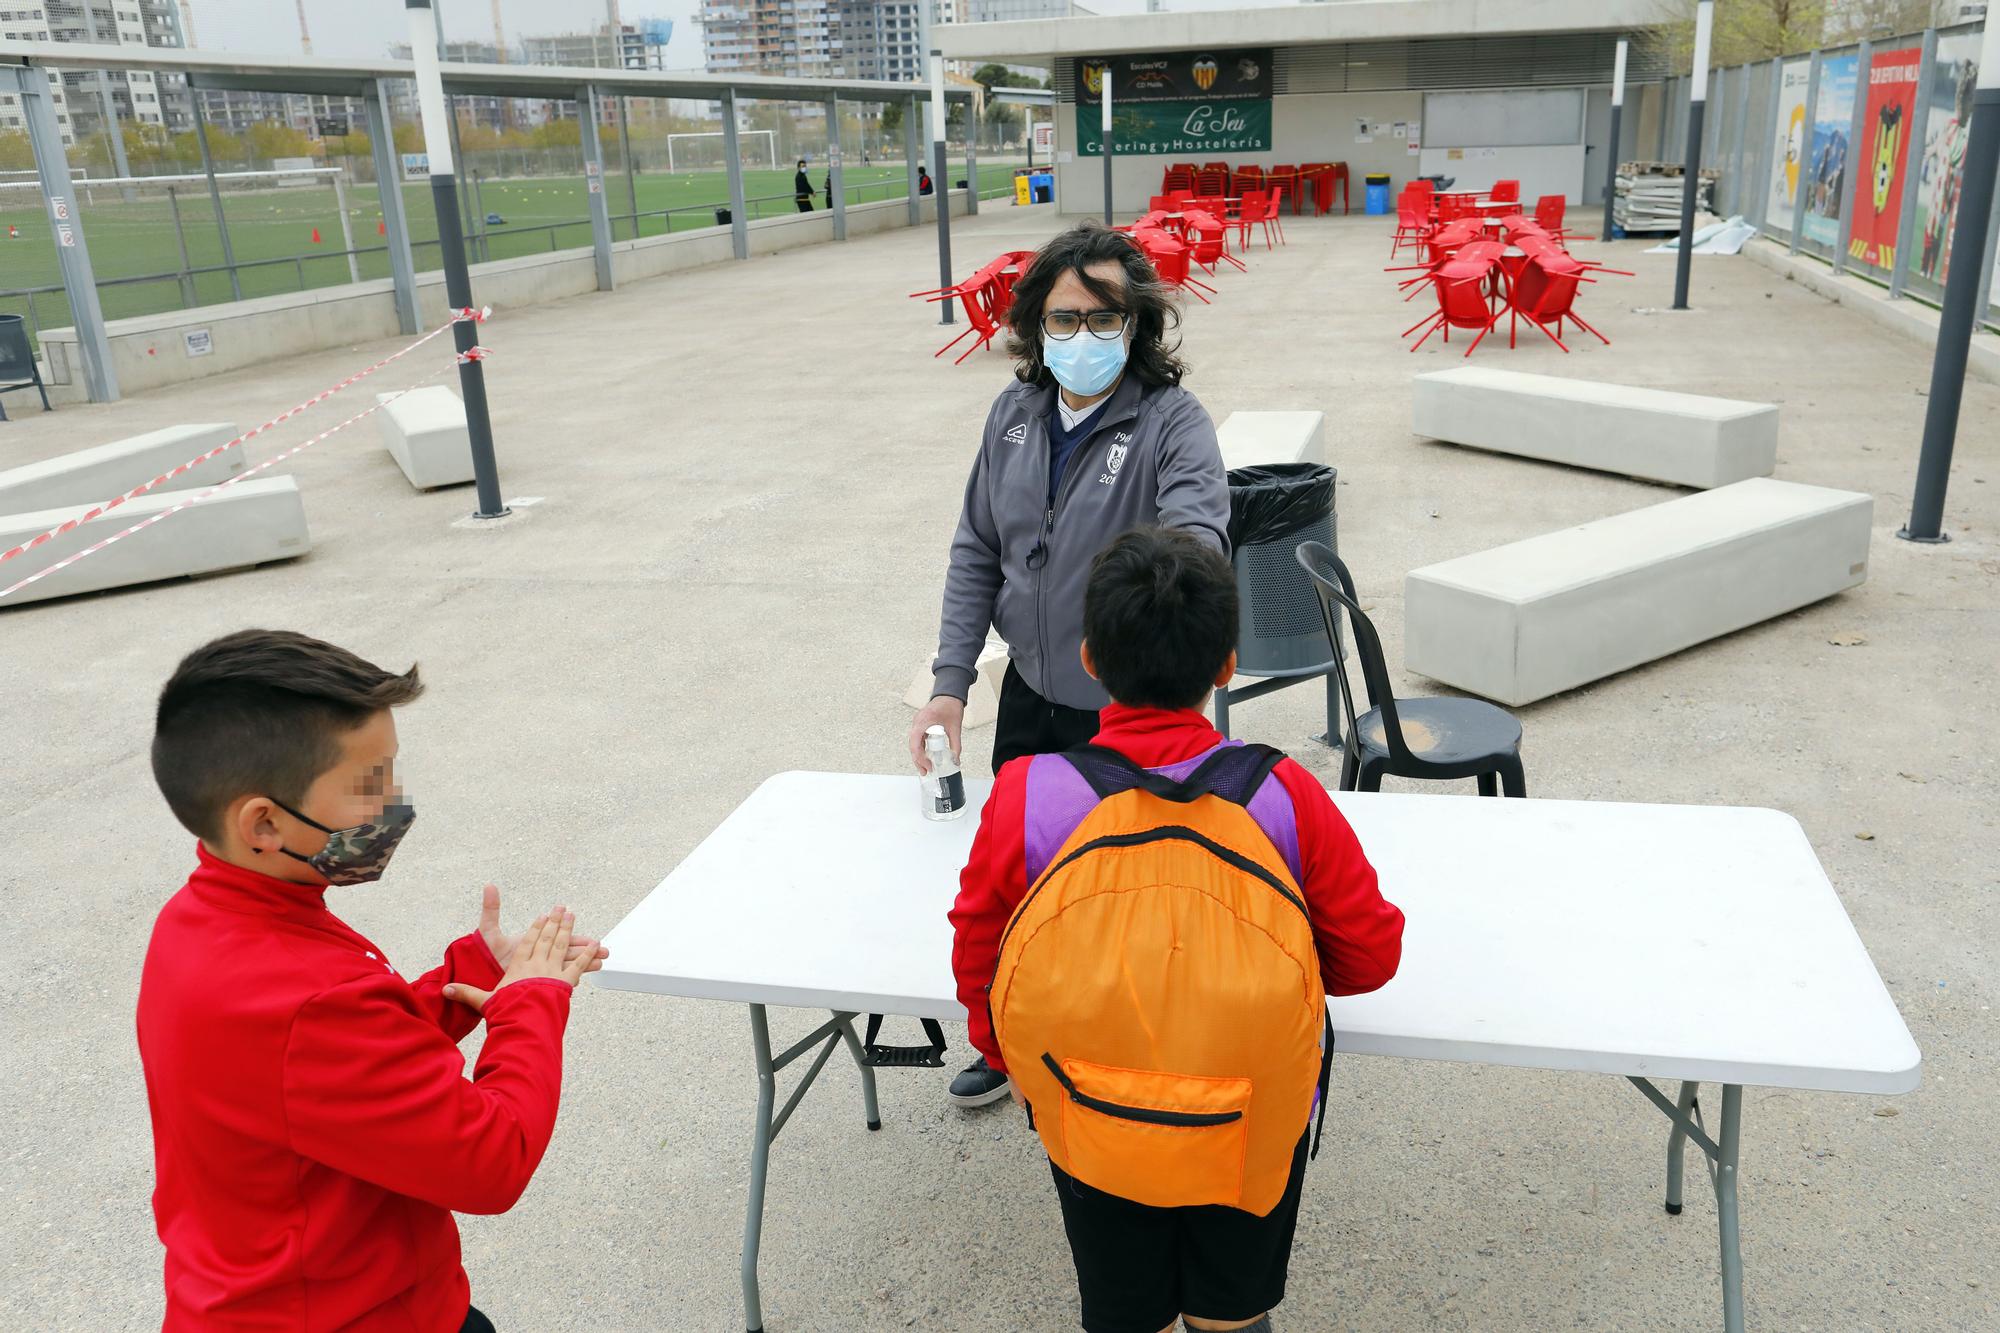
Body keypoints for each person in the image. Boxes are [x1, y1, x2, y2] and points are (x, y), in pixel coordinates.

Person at [949, 526, 1404, 1333]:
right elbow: (1370, 954)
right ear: (1226, 666)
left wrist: (1001, 1055)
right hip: (1251, 1106)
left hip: (1089, 1098)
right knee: (1232, 1315)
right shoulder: (1283, 792)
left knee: (1129, 1316)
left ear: (1091, 657)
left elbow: (979, 949)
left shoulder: (1028, 793)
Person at [136, 629, 609, 1332]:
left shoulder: (202, 922)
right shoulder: (307, 993)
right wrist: (531, 1004)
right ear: (264, 822)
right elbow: (490, 1159)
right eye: (371, 783)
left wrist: (470, 975)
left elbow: (327, 1067)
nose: (395, 801)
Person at [910, 221, 1230, 1107]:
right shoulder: (1012, 416)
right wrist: (949, 684)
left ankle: (1126, 1050)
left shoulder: (1172, 423)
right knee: (1018, 878)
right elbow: (978, 548)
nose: (1081, 337)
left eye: (1103, 319)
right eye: (1063, 319)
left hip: (1125, 714)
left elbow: (1197, 543)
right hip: (1031, 697)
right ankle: (1015, 1032)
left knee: (1125, 889)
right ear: (1033, 324)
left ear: (1136, 328)